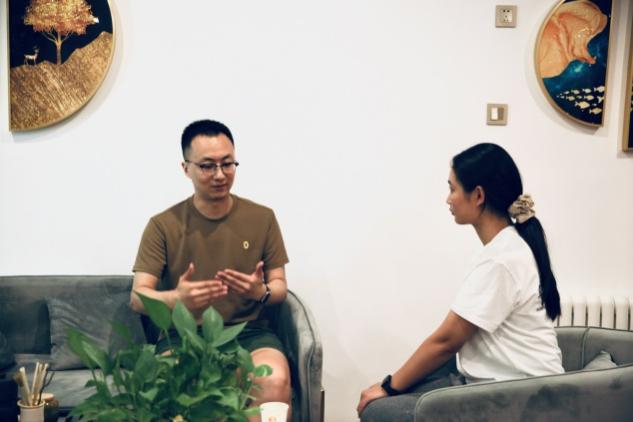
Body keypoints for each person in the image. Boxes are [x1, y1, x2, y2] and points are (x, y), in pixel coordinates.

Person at [357, 143, 564, 421]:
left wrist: (388, 387)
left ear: (477, 195)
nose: (448, 199)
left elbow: (446, 340)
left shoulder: (501, 259)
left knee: (378, 412)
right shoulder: (508, 247)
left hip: (520, 399)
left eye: (452, 189)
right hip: (512, 387)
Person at [130, 119, 291, 420]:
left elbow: (279, 286)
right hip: (183, 338)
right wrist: (177, 299)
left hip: (250, 334)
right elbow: (138, 297)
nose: (220, 174)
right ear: (186, 168)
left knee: (274, 379)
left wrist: (261, 291)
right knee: (175, 380)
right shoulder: (162, 225)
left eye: (227, 164)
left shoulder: (262, 218)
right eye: (207, 166)